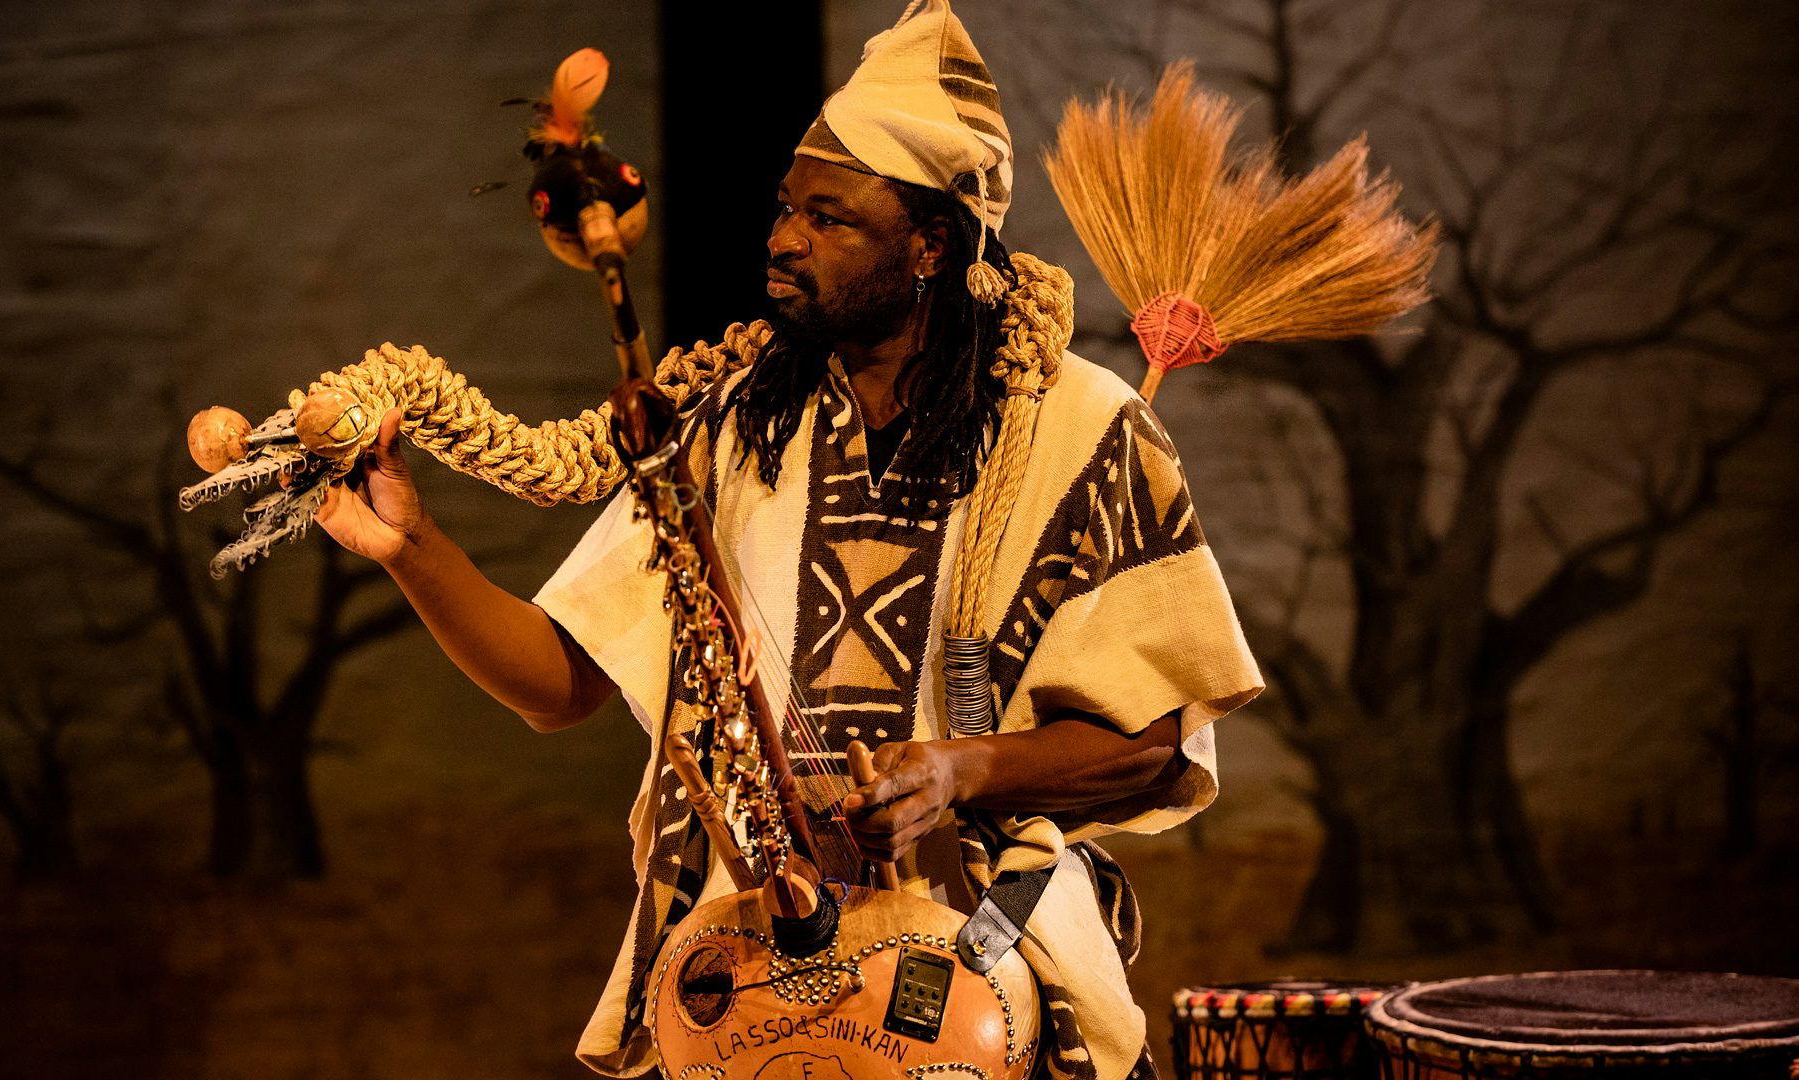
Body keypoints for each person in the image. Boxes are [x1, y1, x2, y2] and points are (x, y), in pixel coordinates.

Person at [316, 2, 1261, 1077]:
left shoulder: (1086, 430)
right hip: (755, 984)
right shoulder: (729, 428)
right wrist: (411, 546)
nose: (780, 240)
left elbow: (1155, 744)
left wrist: (961, 770)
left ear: (931, 246)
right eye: (783, 209)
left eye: (829, 218)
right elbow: (557, 688)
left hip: (994, 983)